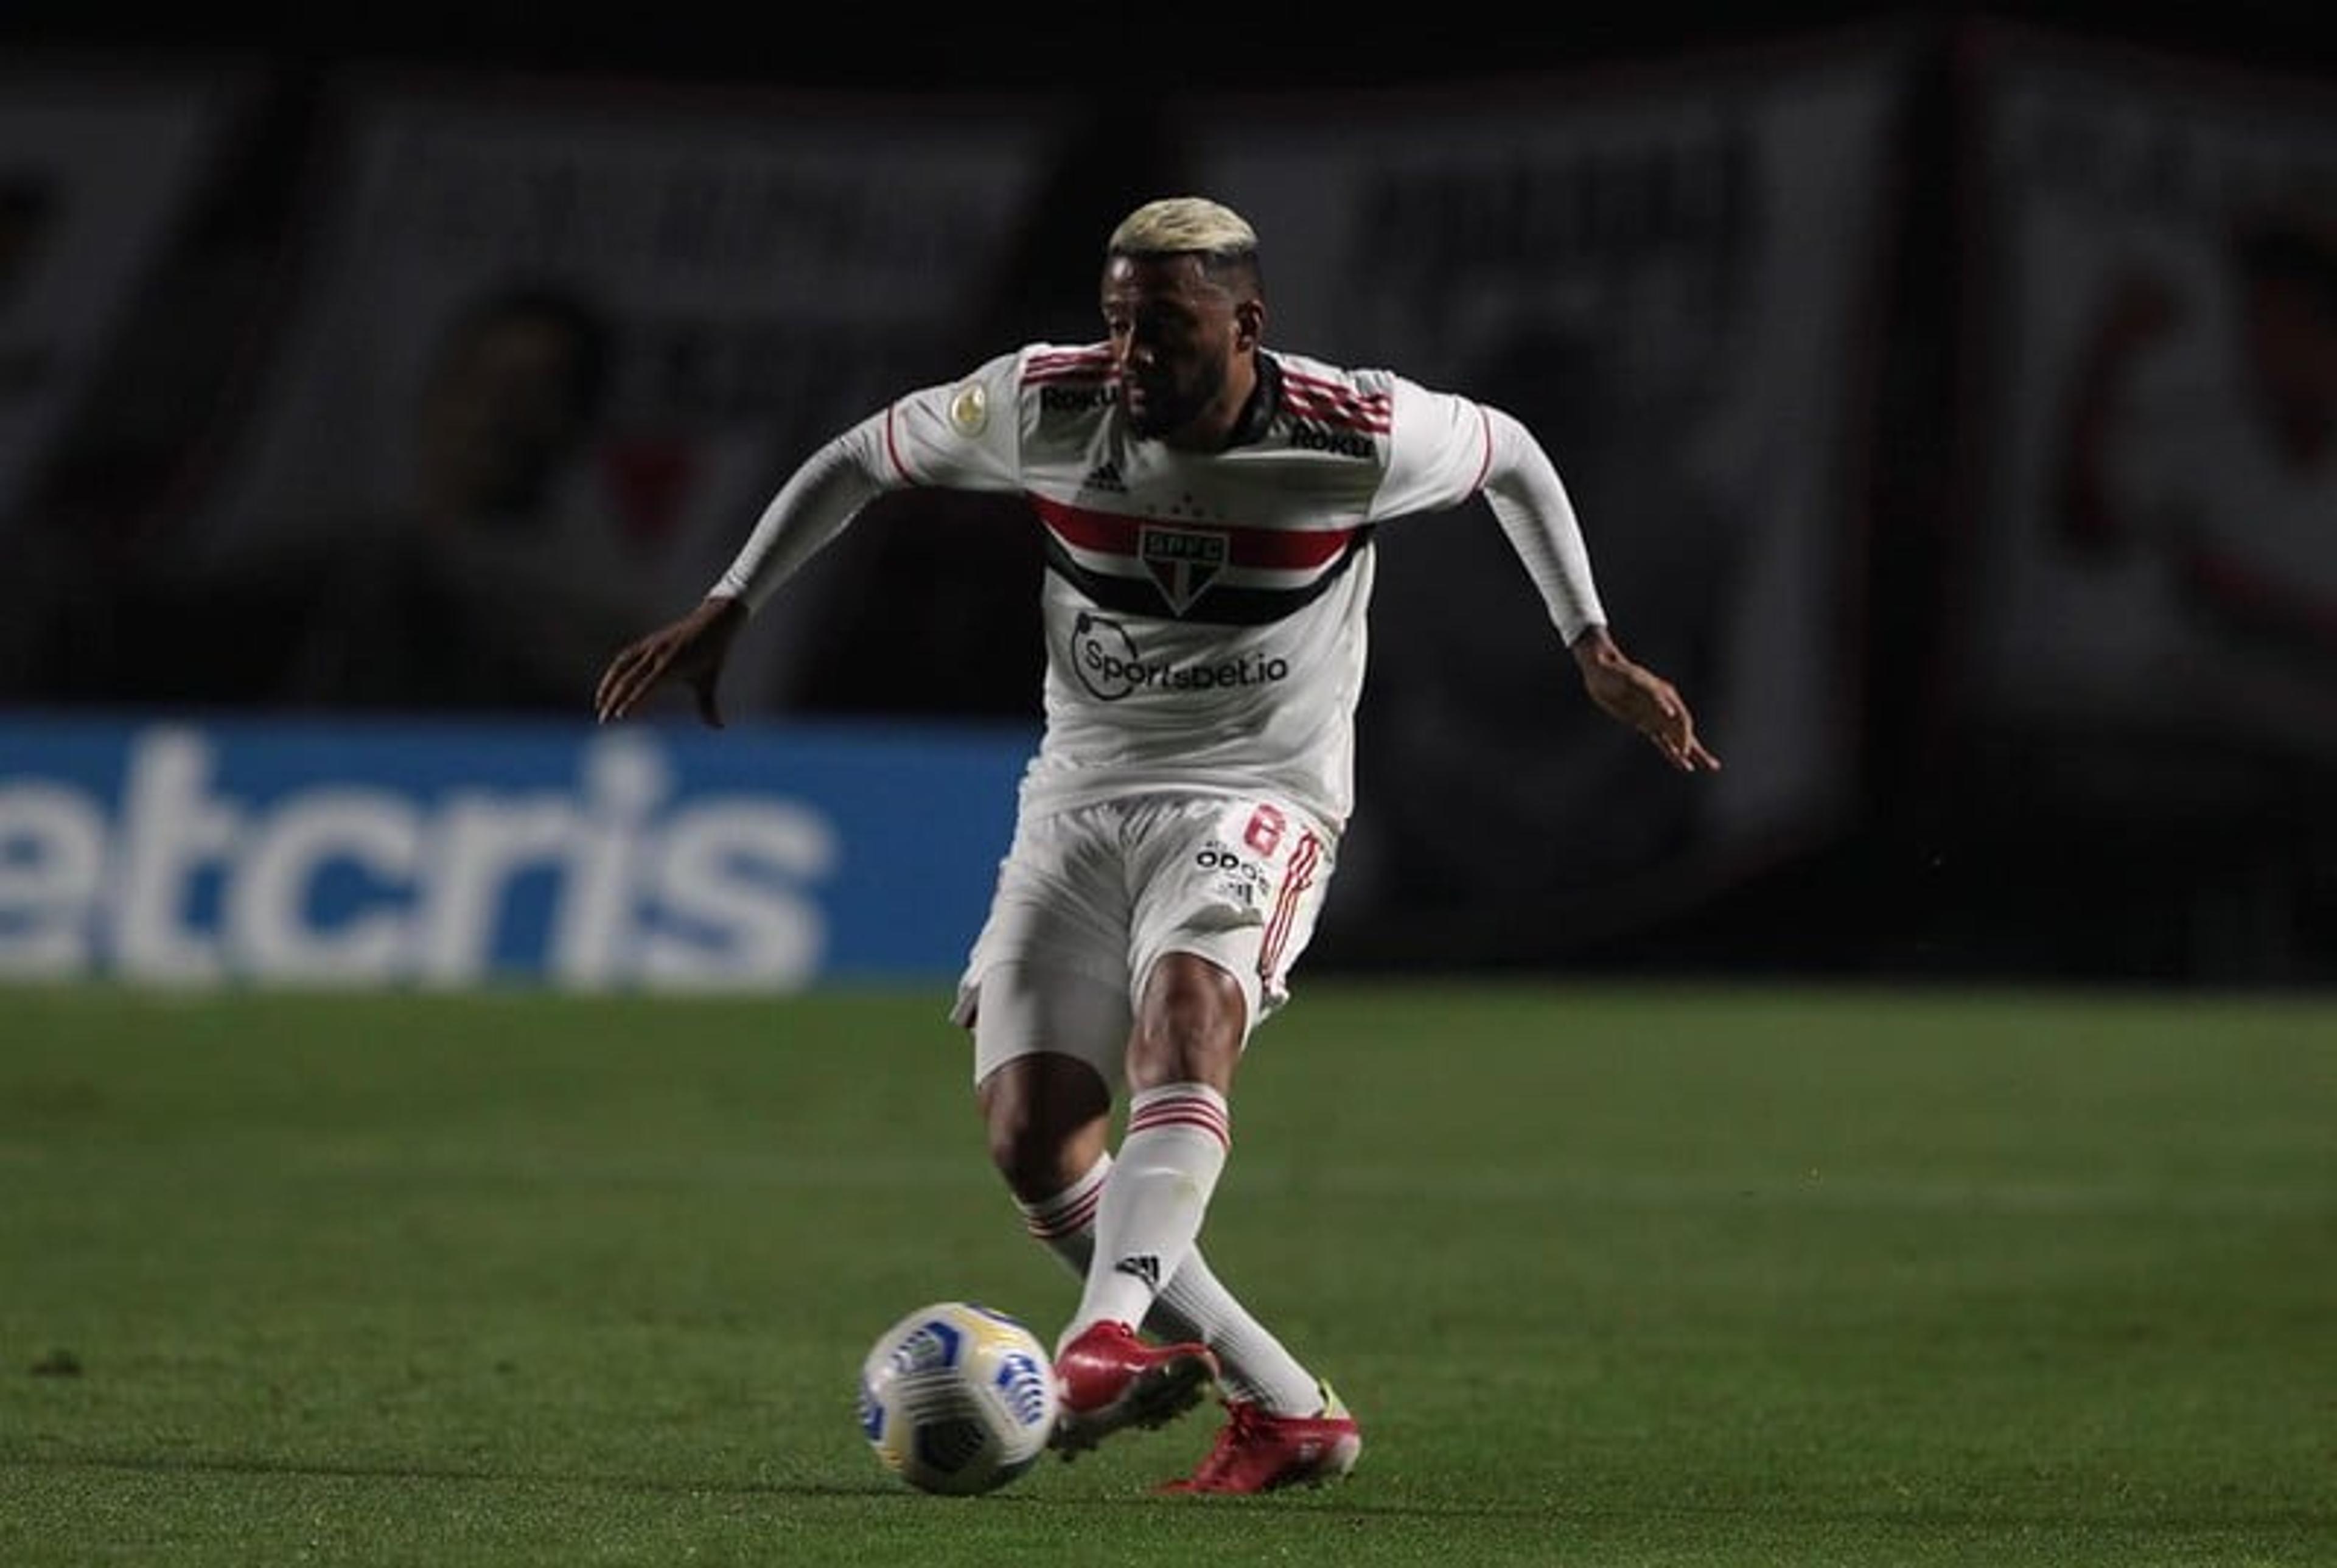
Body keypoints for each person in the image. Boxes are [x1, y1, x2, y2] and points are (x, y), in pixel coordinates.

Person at [593, 197, 1721, 1494]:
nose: (1132, 355)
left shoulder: (1351, 431)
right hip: (1078, 793)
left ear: (1248, 324)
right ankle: (1289, 1409)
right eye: (1119, 323)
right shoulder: (1044, 406)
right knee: (1035, 1135)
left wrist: (1589, 641)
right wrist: (735, 599)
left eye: (1166, 328)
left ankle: (1097, 1344)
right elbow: (860, 454)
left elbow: (1514, 453)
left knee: (1185, 1023)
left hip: (1260, 790)